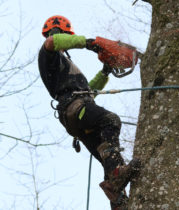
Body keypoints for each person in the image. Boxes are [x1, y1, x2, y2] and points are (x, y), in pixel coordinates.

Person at [38, 15, 140, 210]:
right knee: (110, 120)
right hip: (73, 108)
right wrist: (88, 43)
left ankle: (118, 202)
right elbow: (51, 42)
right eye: (66, 37)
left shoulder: (67, 68)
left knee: (107, 158)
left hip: (76, 112)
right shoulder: (49, 55)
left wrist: (105, 72)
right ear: (60, 34)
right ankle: (117, 176)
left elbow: (89, 93)